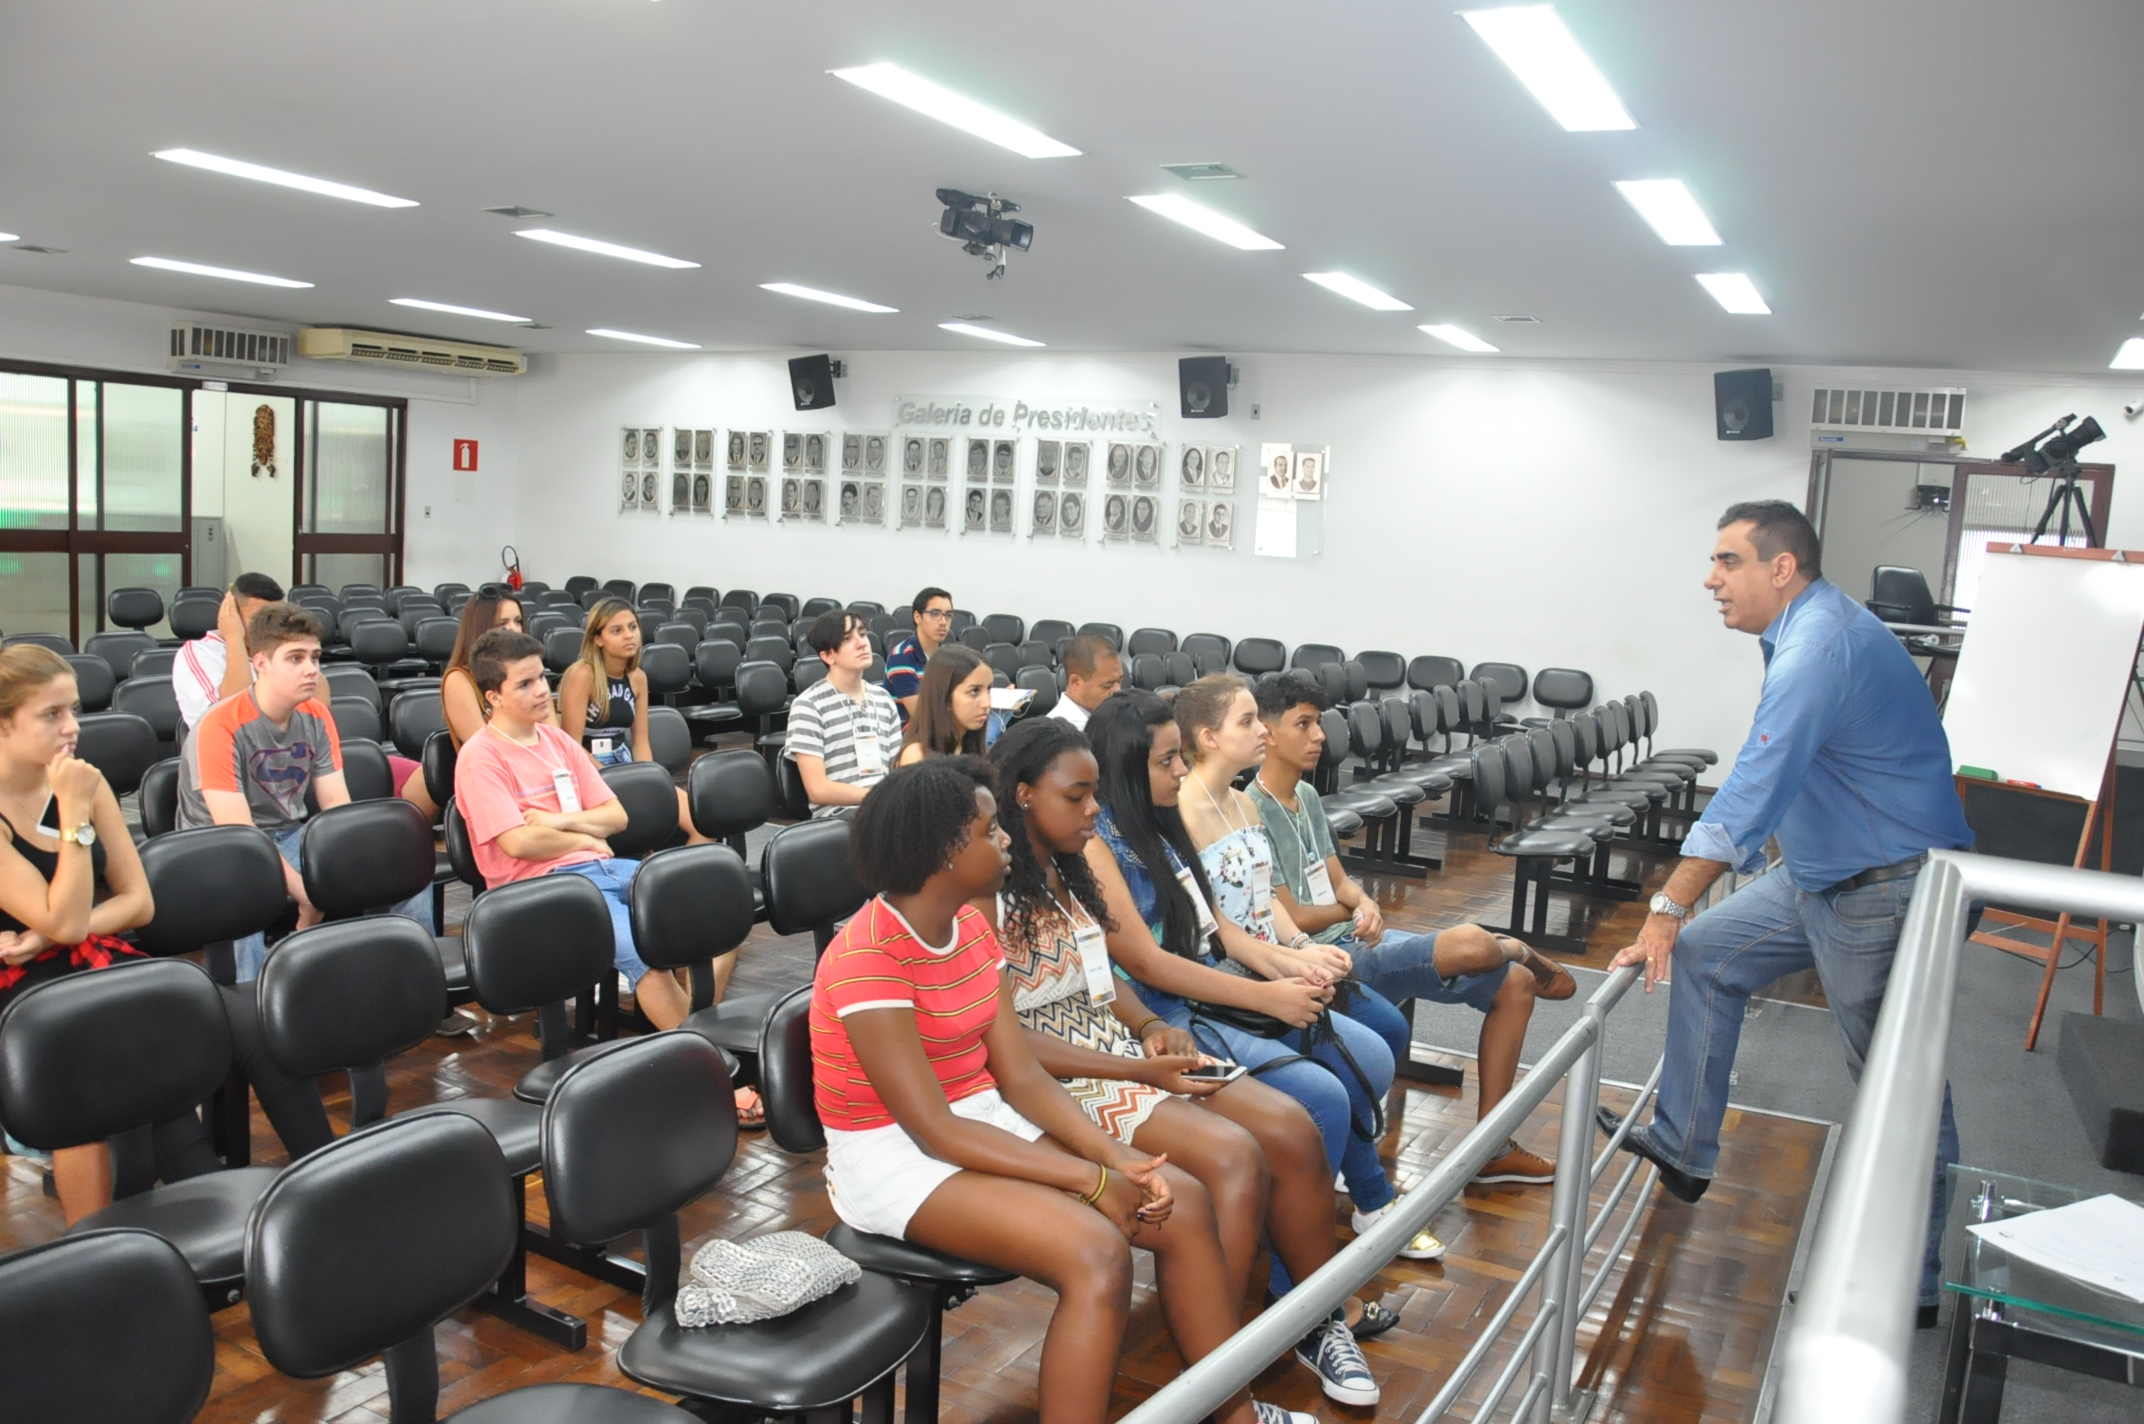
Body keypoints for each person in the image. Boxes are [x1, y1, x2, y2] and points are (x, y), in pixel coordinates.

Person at [810, 757, 1313, 1424]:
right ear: (946, 853)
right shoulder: (866, 960)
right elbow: (935, 1130)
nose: (1007, 841)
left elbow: (1016, 1075)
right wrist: (1091, 1178)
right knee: (1096, 1252)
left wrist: (1116, 1157)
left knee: (1182, 1203)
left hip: (978, 1116)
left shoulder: (965, 927)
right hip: (894, 1156)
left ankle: (1233, 1414)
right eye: (991, 832)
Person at [1604, 500, 1973, 1326]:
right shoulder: (1808, 631)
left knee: (1896, 1087)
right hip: (1820, 872)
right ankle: (1685, 1142)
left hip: (1888, 886)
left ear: (1782, 568)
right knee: (1709, 957)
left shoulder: (1818, 648)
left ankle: (1903, 1284)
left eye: (1727, 562)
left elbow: (1749, 791)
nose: (1710, 579)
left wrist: (1666, 905)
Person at [983, 719, 1389, 1401]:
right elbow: (1006, 1042)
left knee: (1289, 1128)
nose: (1093, 812)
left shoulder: (1068, 863)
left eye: (1093, 798)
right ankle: (1215, 1378)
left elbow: (1099, 980)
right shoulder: (987, 884)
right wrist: (1140, 1063)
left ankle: (1316, 1320)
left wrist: (1145, 1024)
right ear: (1022, 794)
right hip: (1061, 1074)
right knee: (1234, 1158)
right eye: (1077, 797)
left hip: (1114, 1044)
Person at [1081, 690, 1449, 1270]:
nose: (1180, 770)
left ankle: (1316, 1224)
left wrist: (1292, 961)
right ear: (1128, 766)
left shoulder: (1158, 821)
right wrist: (1267, 994)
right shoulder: (1101, 841)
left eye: (1179, 757)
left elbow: (1218, 924)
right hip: (1158, 1012)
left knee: (1372, 1054)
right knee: (1325, 1093)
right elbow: (1148, 964)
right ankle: (1299, 1273)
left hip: (1203, 985)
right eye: (1165, 761)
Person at [1, 646, 331, 1222]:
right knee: (109, 1068)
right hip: (26, 994)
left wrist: (55, 930)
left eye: (72, 710)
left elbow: (136, 902)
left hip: (90, 959)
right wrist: (75, 820)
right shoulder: (70, 792)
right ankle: (100, 1255)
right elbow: (65, 919)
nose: (72, 727)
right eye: (51, 714)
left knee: (256, 1025)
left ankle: (330, 1189)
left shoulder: (82, 779)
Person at [1248, 672, 1573, 1183]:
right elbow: (1295, 916)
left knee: (1516, 985)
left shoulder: (1306, 797)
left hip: (1357, 935)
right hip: (1326, 956)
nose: (1319, 736)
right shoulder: (1252, 809)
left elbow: (1336, 878)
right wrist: (1348, 911)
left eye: (1319, 724)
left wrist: (1363, 900)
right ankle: (1511, 945)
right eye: (1304, 724)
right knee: (1471, 943)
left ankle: (1490, 1146)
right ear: (1266, 733)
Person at [177, 603, 432, 982]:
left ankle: (406, 980)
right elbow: (242, 836)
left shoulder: (316, 714)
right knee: (246, 894)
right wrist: (308, 893)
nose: (311, 668)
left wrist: (351, 861)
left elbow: (335, 808)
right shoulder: (220, 726)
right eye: (295, 658)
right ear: (260, 663)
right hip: (218, 848)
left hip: (287, 833)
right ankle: (254, 1006)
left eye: (314, 657)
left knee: (402, 867)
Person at [453, 630, 688, 1032]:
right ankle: (713, 1066)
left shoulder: (556, 740)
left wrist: (561, 822)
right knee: (645, 955)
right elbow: (520, 842)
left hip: (600, 868)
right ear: (493, 697)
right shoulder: (481, 757)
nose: (542, 690)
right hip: (540, 886)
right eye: (525, 684)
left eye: (542, 677)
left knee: (696, 904)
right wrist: (584, 837)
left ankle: (692, 1030)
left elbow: (616, 816)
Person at [557, 597, 702, 842]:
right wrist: (615, 781)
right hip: (588, 768)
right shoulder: (582, 675)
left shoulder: (637, 678)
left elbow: (641, 742)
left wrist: (646, 778)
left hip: (626, 761)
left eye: (632, 627)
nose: (628, 635)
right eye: (617, 630)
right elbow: (571, 745)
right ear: (598, 639)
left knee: (701, 824)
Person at [784, 609, 905, 818]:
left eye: (862, 633)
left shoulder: (883, 699)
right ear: (828, 655)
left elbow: (897, 772)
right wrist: (878, 796)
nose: (862, 643)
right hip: (839, 817)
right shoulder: (808, 705)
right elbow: (817, 790)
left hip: (885, 809)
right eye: (848, 638)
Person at [173, 571, 283, 733]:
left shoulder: (278, 649)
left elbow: (318, 712)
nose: (270, 627)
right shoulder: (197, 653)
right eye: (258, 619)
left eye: (276, 618)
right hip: (228, 751)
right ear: (231, 614)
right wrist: (234, 637)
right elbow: (236, 715)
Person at [439, 586, 545, 748]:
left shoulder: (532, 672)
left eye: (518, 621)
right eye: (502, 624)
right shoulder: (458, 680)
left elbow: (553, 737)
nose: (514, 629)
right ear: (481, 629)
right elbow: (484, 748)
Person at [896, 645, 992, 766]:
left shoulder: (971, 748)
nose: (987, 703)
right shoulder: (917, 756)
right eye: (974, 691)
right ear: (944, 696)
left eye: (988, 689)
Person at [884, 586, 953, 721]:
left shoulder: (947, 656)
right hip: (910, 733)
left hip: (942, 726)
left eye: (948, 615)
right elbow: (920, 716)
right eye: (935, 614)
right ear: (917, 617)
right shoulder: (901, 657)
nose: (943, 622)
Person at [1049, 634, 1124, 733]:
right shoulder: (1057, 735)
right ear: (1076, 682)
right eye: (1108, 685)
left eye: (1119, 681)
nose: (1118, 691)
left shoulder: (1110, 717)